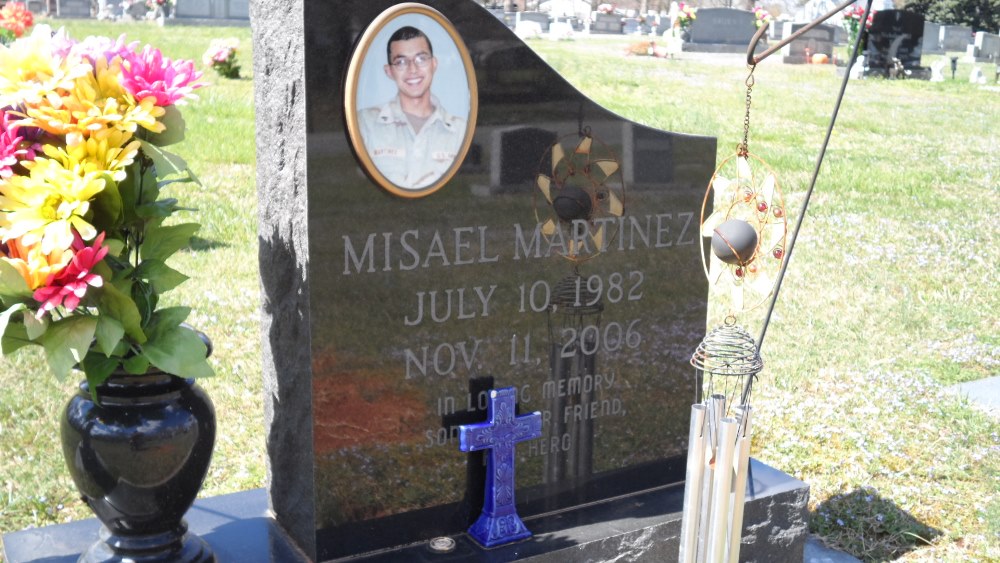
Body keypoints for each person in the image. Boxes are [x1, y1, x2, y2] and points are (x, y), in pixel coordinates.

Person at [357, 26, 467, 190]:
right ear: (389, 71)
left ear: (434, 64)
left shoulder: (460, 131)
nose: (413, 69)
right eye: (401, 62)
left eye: (421, 59)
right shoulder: (364, 124)